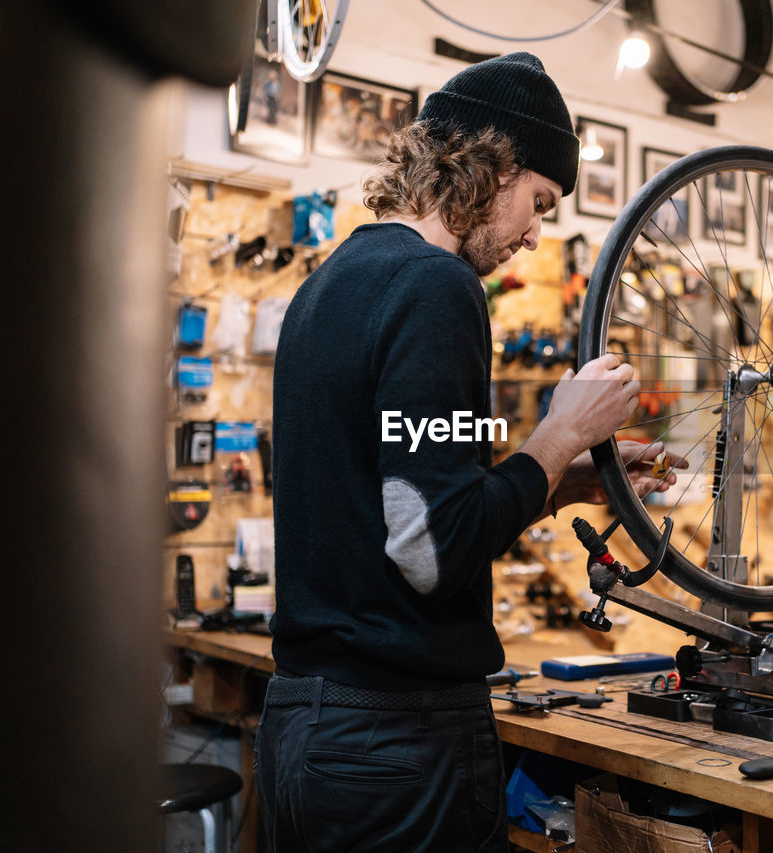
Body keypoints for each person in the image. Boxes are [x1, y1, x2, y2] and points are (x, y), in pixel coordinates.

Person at [255, 52, 682, 852]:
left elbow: (409, 504)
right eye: (540, 203)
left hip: (307, 732)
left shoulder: (332, 281)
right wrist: (560, 431)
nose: (532, 233)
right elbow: (429, 550)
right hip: (397, 744)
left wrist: (556, 481)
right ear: (495, 167)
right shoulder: (437, 288)